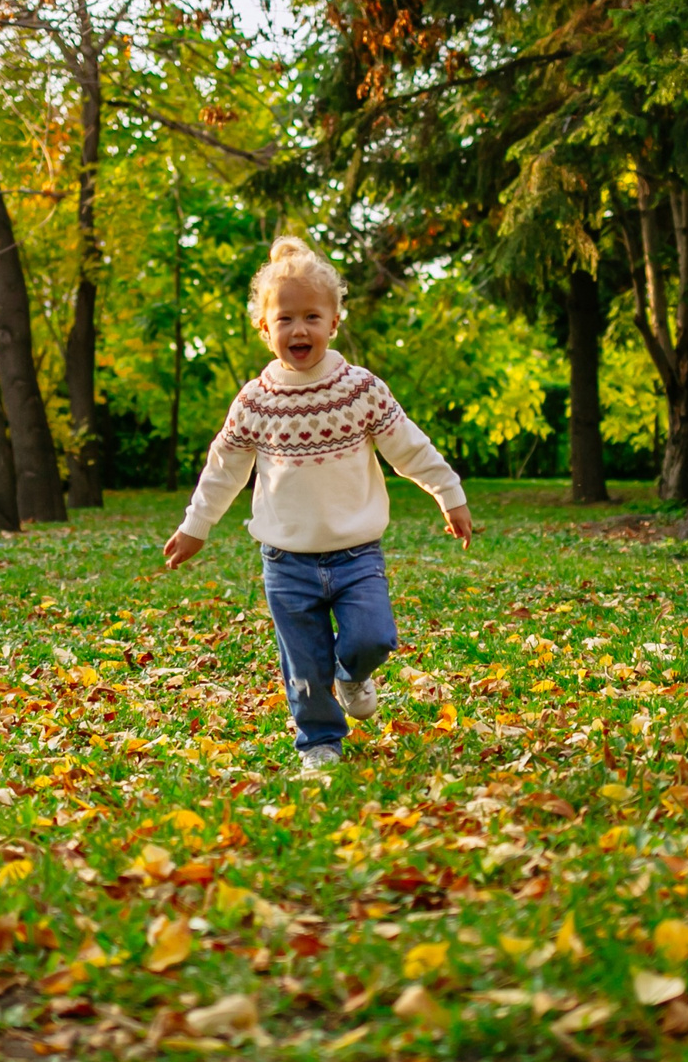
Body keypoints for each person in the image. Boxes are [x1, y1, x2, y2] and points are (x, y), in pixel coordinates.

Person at [160, 237, 473, 771]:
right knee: (303, 664)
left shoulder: (360, 391)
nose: (298, 330)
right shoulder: (255, 401)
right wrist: (196, 526)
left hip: (356, 554)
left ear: (333, 322)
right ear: (265, 328)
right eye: (285, 319)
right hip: (286, 562)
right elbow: (223, 469)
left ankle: (353, 674)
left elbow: (409, 448)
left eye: (311, 317)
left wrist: (449, 493)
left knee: (373, 637)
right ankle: (321, 743)